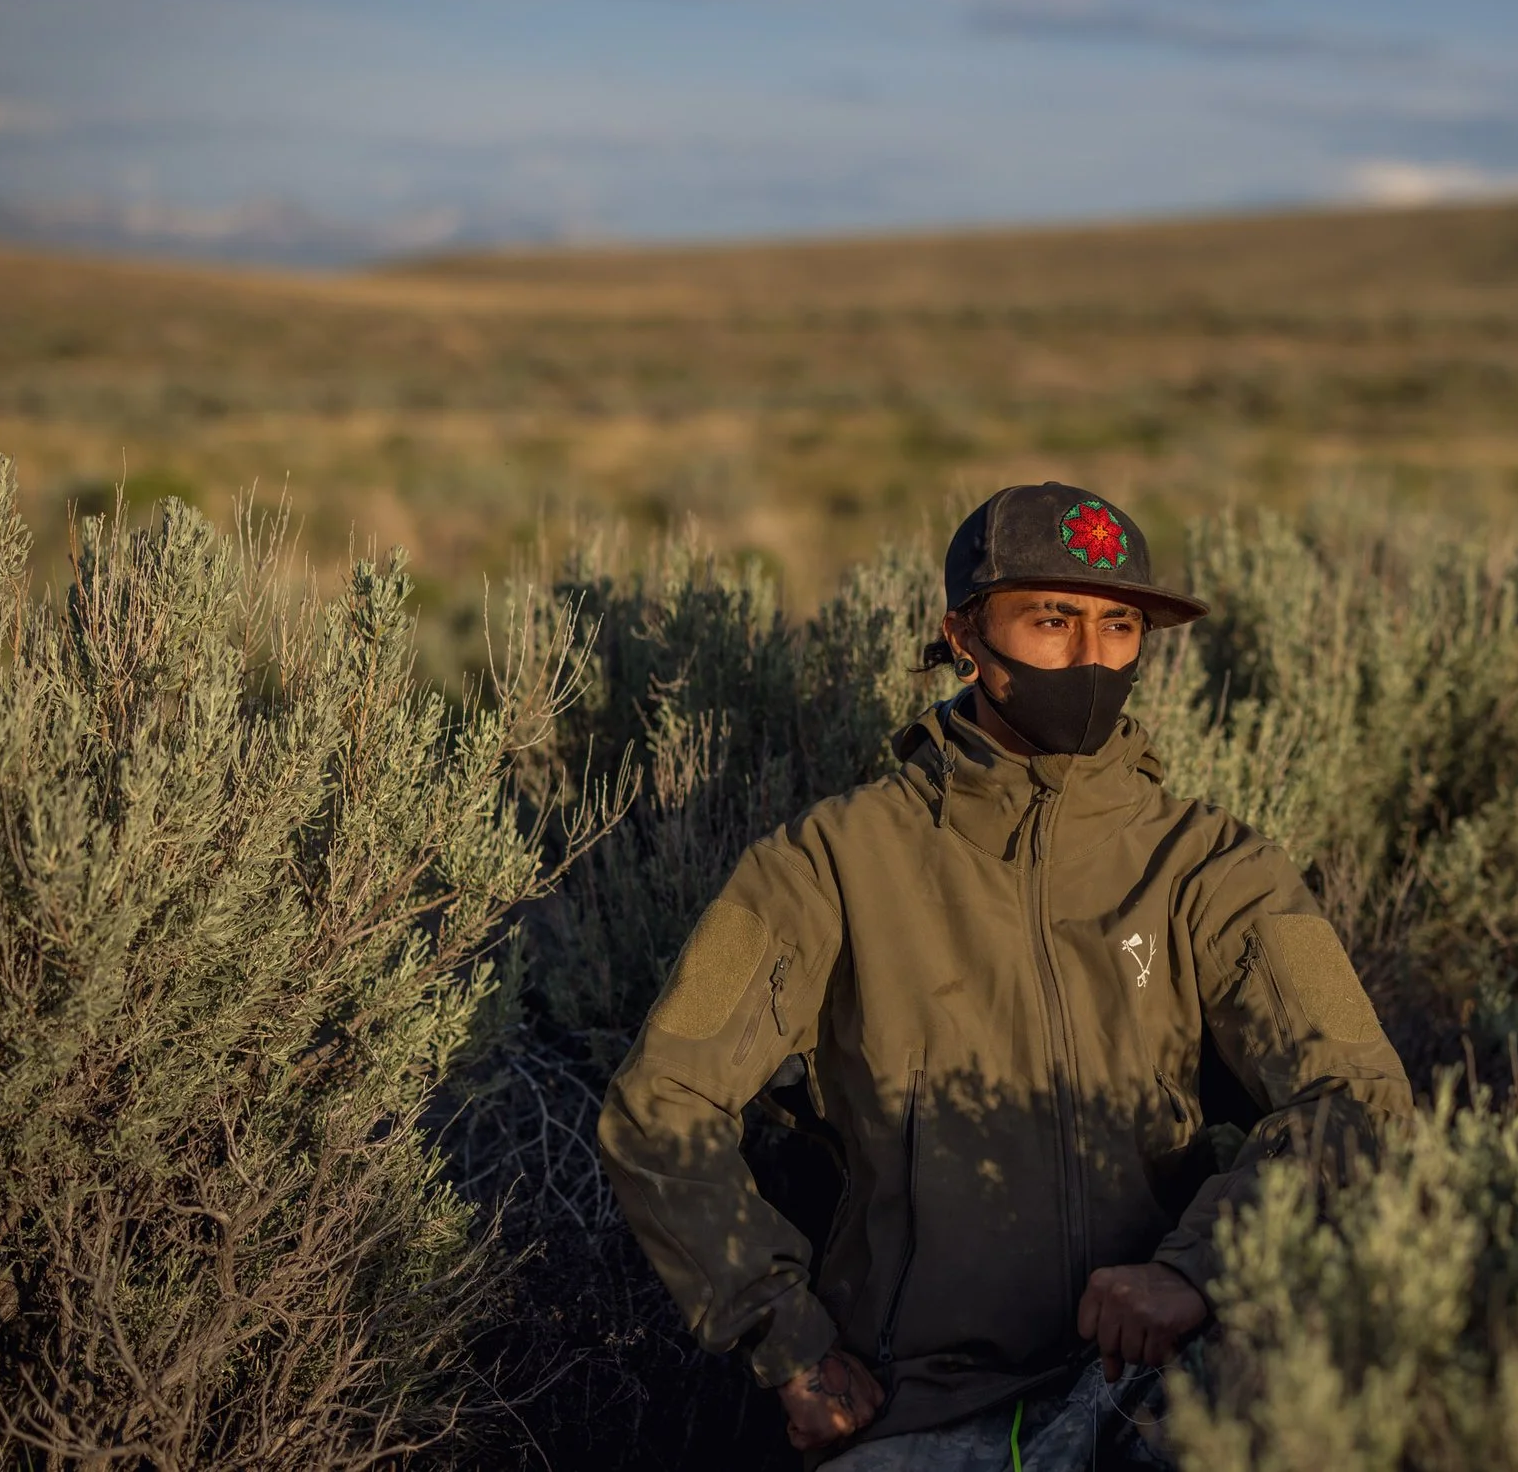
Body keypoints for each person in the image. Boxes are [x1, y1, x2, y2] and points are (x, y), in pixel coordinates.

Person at [598, 481, 1412, 1468]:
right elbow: (662, 1102)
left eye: (1120, 625)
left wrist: (1197, 1272)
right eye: (1052, 619)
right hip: (922, 1413)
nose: (1090, 656)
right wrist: (786, 1340)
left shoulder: (1215, 865)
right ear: (964, 635)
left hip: (1165, 1394)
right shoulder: (823, 864)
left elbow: (1357, 1095)